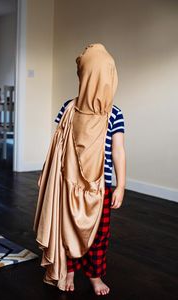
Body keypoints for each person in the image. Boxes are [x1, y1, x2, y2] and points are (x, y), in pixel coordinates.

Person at [33, 43, 126, 296]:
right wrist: (46, 171)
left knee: (98, 237)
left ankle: (95, 276)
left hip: (101, 186)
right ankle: (69, 269)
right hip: (66, 182)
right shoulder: (69, 110)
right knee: (66, 229)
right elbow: (56, 148)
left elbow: (118, 150)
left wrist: (120, 184)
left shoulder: (114, 114)